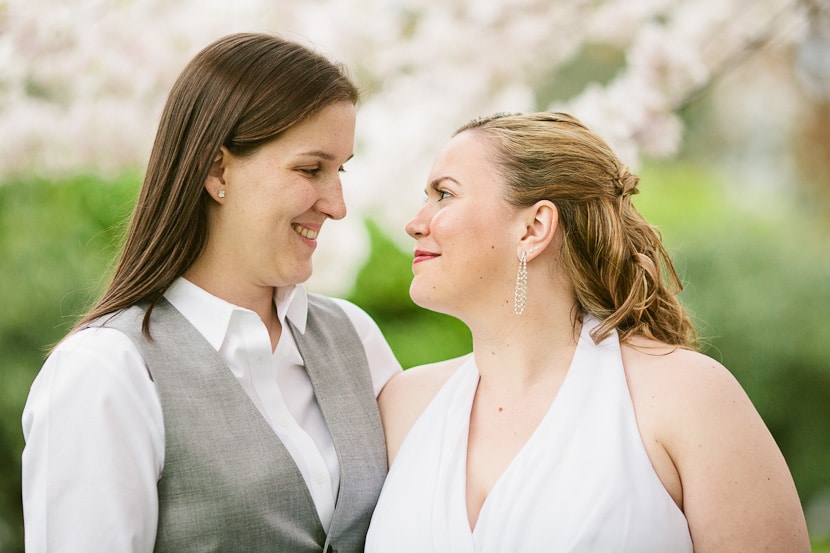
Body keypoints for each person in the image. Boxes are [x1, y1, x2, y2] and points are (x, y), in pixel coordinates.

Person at [22, 32, 401, 553]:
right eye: (311, 169)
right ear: (216, 170)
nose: (337, 205)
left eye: (341, 170)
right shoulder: (108, 370)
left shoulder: (354, 337)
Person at [365, 111, 811, 552]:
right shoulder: (404, 405)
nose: (415, 222)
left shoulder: (686, 397)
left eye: (444, 194)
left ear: (534, 228)